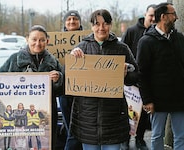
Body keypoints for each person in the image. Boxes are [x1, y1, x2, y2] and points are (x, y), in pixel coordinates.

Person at [69, 9, 139, 150]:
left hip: (113, 117)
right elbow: (68, 80)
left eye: (105, 24)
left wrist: (126, 73)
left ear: (111, 25)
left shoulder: (122, 48)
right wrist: (72, 60)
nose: (101, 28)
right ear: (91, 26)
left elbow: (136, 76)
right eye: (97, 24)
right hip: (87, 117)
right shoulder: (81, 48)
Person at [0, 25, 63, 150]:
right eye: (34, 39)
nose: (37, 43)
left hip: (46, 118)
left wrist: (58, 79)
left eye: (42, 40)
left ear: (47, 41)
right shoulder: (14, 60)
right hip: (20, 121)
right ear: (27, 39)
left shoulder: (53, 62)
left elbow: (62, 91)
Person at [136, 2, 184, 150]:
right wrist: (147, 99)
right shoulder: (146, 41)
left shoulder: (180, 39)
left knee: (181, 135)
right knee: (157, 135)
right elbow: (141, 74)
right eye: (173, 14)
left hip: (179, 98)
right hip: (157, 101)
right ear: (163, 17)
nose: (176, 17)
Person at [121, 4, 156, 150]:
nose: (153, 19)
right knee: (128, 112)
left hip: (148, 82)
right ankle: (125, 139)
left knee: (143, 114)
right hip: (131, 80)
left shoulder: (157, 34)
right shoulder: (131, 31)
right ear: (145, 15)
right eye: (151, 15)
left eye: (156, 16)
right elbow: (121, 50)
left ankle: (140, 139)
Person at [59, 10, 83, 150]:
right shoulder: (57, 41)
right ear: (65, 23)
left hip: (82, 92)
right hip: (64, 92)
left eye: (75, 19)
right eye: (69, 19)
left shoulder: (87, 39)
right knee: (71, 130)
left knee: (79, 132)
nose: (72, 22)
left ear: (79, 22)